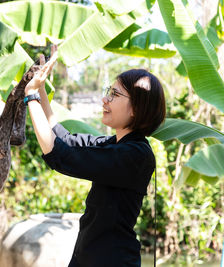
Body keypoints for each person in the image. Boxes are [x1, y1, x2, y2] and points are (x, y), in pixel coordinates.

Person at [23, 50, 166, 267]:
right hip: (86, 257)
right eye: (109, 92)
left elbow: (59, 155)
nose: (105, 99)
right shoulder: (113, 145)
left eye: (115, 95)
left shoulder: (137, 155)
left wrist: (31, 96)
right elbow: (63, 139)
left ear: (136, 108)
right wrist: (40, 88)